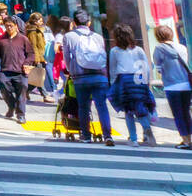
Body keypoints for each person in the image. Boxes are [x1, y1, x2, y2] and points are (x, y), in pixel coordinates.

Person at [61, 11, 115, 146]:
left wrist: (71, 72)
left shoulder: (69, 37)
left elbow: (67, 58)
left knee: (84, 107)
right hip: (99, 77)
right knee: (102, 106)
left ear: (74, 23)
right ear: (89, 23)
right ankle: (107, 136)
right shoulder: (98, 37)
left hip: (80, 78)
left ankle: (86, 135)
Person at [108, 24, 157, 146]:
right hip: (139, 80)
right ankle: (147, 130)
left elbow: (113, 70)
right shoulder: (138, 50)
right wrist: (146, 82)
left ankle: (133, 139)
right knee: (141, 108)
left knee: (128, 111)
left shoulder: (114, 51)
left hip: (124, 81)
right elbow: (145, 67)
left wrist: (113, 84)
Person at [152, 24, 191, 149]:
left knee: (178, 114)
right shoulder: (182, 47)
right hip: (186, 84)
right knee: (186, 113)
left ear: (158, 36)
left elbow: (158, 68)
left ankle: (186, 141)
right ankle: (189, 139)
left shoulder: (159, 49)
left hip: (172, 86)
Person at [0, 17, 34, 124]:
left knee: (22, 91)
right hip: (6, 70)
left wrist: (27, 64)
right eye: (6, 26)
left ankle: (21, 114)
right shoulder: (1, 40)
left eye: (11, 25)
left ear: (16, 26)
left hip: (20, 72)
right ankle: (11, 107)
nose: (9, 28)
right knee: (3, 87)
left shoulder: (23, 39)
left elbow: (31, 54)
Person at [25, 13, 53, 101]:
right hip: (37, 57)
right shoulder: (33, 31)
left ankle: (26, 90)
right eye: (39, 20)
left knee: (38, 77)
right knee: (39, 76)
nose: (42, 22)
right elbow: (33, 46)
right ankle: (45, 95)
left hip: (41, 55)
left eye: (41, 20)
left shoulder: (38, 29)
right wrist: (37, 58)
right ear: (34, 21)